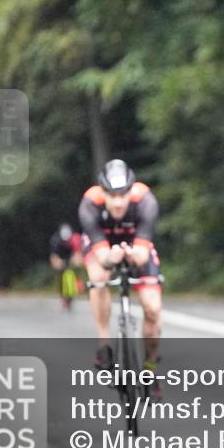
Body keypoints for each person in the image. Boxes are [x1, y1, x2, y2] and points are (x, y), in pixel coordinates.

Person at [78, 159, 164, 397]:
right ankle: (104, 344)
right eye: (112, 195)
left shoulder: (145, 200)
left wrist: (132, 255)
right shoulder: (90, 203)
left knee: (153, 309)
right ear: (102, 191)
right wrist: (111, 257)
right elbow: (102, 257)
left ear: (131, 190)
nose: (118, 202)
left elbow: (143, 254)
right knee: (98, 277)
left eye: (123, 194)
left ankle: (150, 368)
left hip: (136, 245)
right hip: (103, 246)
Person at [49, 223, 84, 310]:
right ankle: (62, 295)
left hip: (70, 256)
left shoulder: (75, 239)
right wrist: (57, 263)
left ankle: (76, 287)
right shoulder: (55, 240)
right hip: (60, 256)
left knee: (75, 270)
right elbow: (54, 256)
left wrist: (77, 260)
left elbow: (78, 252)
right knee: (60, 274)